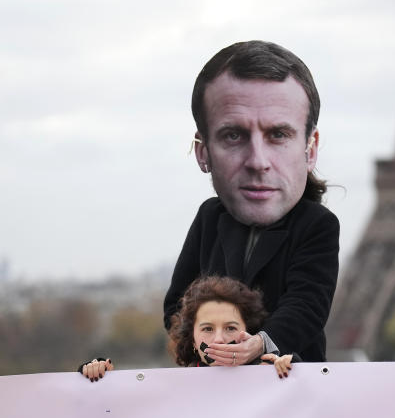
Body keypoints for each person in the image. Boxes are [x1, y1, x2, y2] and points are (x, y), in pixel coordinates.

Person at [163, 40, 340, 364]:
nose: (258, 162)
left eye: (278, 135)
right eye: (233, 135)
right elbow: (178, 305)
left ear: (310, 149)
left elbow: (307, 306)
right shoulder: (208, 218)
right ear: (203, 152)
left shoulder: (317, 226)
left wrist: (259, 345)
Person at [81, 276, 295, 380]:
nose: (219, 339)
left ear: (248, 331)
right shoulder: (174, 388)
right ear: (192, 339)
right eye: (208, 329)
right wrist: (96, 376)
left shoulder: (269, 373)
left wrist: (294, 369)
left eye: (230, 328)